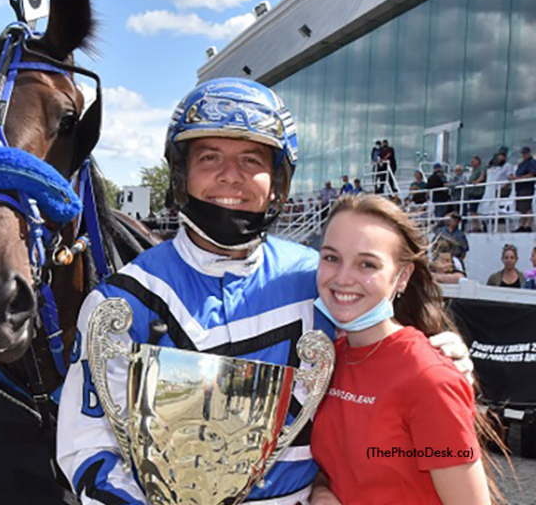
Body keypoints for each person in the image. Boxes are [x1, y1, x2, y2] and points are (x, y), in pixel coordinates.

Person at [55, 79, 471, 505]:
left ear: (276, 182)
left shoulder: (322, 281)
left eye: (250, 159)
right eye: (209, 157)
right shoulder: (123, 303)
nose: (230, 176)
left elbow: (385, 367)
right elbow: (87, 449)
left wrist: (440, 357)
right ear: (181, 174)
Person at [309, 194, 499, 505]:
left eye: (367, 264)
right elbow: (336, 466)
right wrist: (321, 492)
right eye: (331, 258)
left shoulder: (429, 378)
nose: (342, 278)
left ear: (403, 277)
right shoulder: (333, 356)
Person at [509, 145, 536, 232]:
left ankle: (528, 225)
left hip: (527, 187)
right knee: (522, 208)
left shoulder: (532, 162)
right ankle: (522, 226)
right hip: (520, 188)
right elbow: (518, 174)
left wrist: (518, 178)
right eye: (523, 153)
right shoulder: (522, 164)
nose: (524, 155)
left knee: (527, 207)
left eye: (525, 153)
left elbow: (531, 174)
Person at [464, 155, 486, 231]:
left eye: (473, 161)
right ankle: (476, 226)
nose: (471, 163)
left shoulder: (481, 168)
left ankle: (477, 227)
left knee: (473, 210)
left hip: (477, 192)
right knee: (472, 210)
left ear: (478, 161)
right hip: (472, 192)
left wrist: (476, 182)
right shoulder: (473, 170)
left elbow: (482, 176)